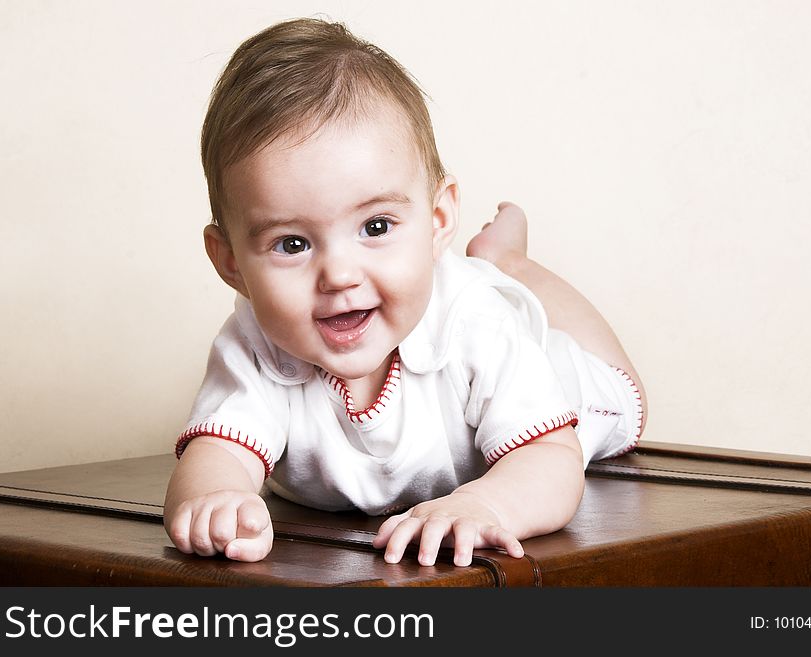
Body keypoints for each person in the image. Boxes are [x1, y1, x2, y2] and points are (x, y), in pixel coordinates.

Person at [164, 17, 647, 567]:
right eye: (292, 243)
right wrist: (213, 500)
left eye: (375, 227)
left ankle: (507, 260)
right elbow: (215, 454)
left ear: (439, 217)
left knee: (624, 397)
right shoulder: (254, 345)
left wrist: (484, 502)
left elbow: (551, 459)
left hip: (562, 385)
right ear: (229, 262)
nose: (339, 275)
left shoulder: (474, 324)